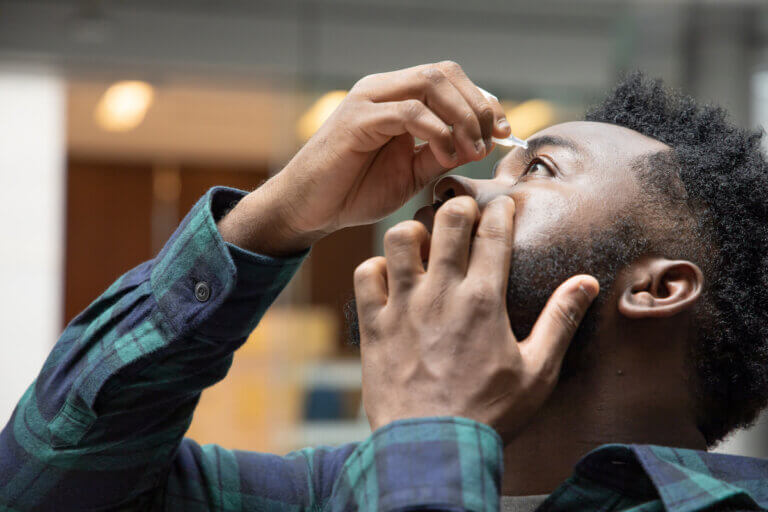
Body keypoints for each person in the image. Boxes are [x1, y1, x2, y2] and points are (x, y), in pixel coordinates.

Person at [1, 61, 767, 512]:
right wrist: (272, 218)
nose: (455, 188)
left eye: (537, 170)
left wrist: (431, 429)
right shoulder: (329, 493)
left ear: (658, 287)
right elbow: (39, 485)